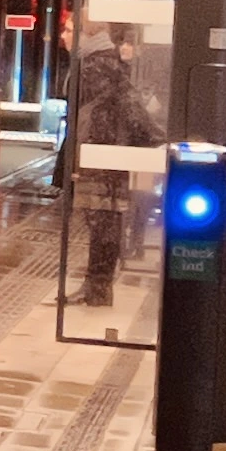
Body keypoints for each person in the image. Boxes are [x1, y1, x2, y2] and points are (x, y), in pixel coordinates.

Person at [71, 38, 162, 306]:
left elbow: (146, 128)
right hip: (97, 172)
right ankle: (94, 286)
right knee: (98, 229)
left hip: (108, 175)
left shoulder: (118, 96)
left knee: (105, 231)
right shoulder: (105, 96)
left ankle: (98, 288)